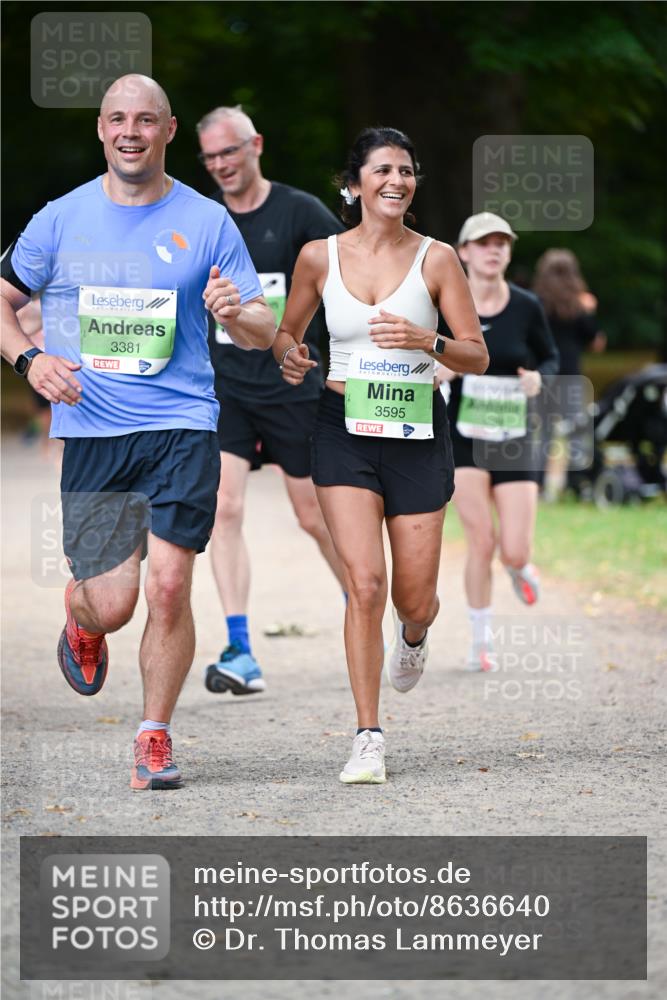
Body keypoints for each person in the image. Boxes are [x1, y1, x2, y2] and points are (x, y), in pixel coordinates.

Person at [0, 75, 275, 790]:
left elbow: (262, 328)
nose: (131, 131)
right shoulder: (60, 219)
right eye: (118, 119)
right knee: (114, 602)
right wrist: (29, 360)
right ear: (100, 129)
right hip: (93, 432)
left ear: (169, 130)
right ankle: (82, 616)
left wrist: (232, 313)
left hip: (182, 425)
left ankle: (154, 736)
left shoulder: (208, 221)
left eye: (145, 120)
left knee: (171, 583)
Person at [272, 127, 488, 783]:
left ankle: (415, 636)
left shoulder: (437, 258)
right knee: (364, 585)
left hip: (417, 429)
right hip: (342, 424)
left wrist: (427, 338)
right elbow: (288, 330)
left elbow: (475, 353)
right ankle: (367, 737)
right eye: (383, 169)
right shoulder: (317, 256)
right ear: (355, 182)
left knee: (412, 599)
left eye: (406, 170)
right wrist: (289, 354)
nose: (396, 180)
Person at [195, 106, 346, 695]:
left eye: (229, 152)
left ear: (255, 144)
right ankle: (240, 650)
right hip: (223, 386)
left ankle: (364, 604)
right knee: (224, 510)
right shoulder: (201, 219)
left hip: (291, 385)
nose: (220, 166)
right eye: (209, 158)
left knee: (314, 515)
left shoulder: (300, 212)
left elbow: (346, 287)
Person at [441, 213, 559, 672]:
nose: (494, 251)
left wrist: (538, 379)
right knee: (481, 541)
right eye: (483, 243)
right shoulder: (447, 304)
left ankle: (520, 566)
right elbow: (422, 356)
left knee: (513, 549)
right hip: (464, 437)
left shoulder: (527, 306)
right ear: (464, 252)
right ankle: (481, 643)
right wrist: (443, 366)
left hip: (514, 438)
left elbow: (549, 357)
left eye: (501, 244)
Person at [533, 248, 606, 496]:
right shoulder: (581, 305)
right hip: (571, 376)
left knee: (543, 433)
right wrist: (590, 313)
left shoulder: (535, 303)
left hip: (544, 374)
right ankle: (577, 485)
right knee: (576, 431)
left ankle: (539, 485)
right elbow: (595, 343)